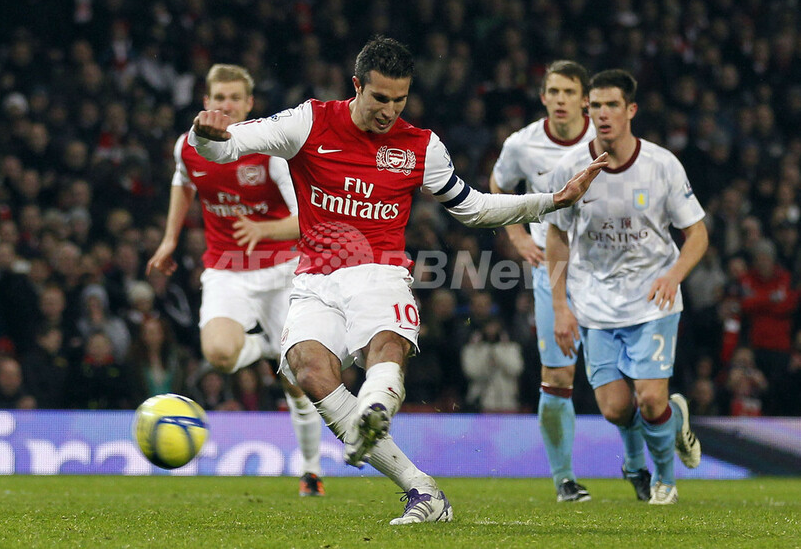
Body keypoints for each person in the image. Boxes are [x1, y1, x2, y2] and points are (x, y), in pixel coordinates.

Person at [190, 36, 605, 524]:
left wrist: (551, 201)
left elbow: (472, 208)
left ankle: (375, 407)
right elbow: (226, 146)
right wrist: (205, 134)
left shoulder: (421, 146)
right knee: (307, 368)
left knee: (385, 343)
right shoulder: (309, 122)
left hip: (379, 271)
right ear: (357, 86)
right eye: (380, 98)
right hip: (314, 278)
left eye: (400, 99)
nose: (389, 111)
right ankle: (422, 488)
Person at [146, 64, 325, 497]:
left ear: (249, 105)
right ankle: (267, 348)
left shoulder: (271, 151)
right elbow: (183, 181)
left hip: (282, 271)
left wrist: (264, 229)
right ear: (206, 102)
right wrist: (169, 239)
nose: (226, 105)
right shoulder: (188, 146)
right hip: (226, 269)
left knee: (298, 380)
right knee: (220, 354)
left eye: (234, 98)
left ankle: (311, 471)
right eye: (219, 97)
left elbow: (309, 218)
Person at [547, 69, 707, 505]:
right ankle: (646, 451)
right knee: (616, 408)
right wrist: (560, 306)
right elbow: (556, 237)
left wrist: (674, 275)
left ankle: (665, 481)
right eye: (595, 105)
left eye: (612, 105)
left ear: (631, 109)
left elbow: (697, 234)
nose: (602, 114)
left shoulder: (661, 165)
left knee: (650, 399)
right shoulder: (570, 168)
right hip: (596, 305)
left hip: (653, 301)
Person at [489, 60, 595, 502]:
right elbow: (498, 185)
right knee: (557, 374)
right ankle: (564, 479)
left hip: (606, 270)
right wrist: (516, 236)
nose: (560, 100)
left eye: (569, 92)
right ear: (543, 97)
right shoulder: (522, 144)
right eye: (554, 91)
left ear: (585, 100)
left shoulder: (604, 139)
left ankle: (639, 465)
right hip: (553, 270)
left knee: (624, 379)